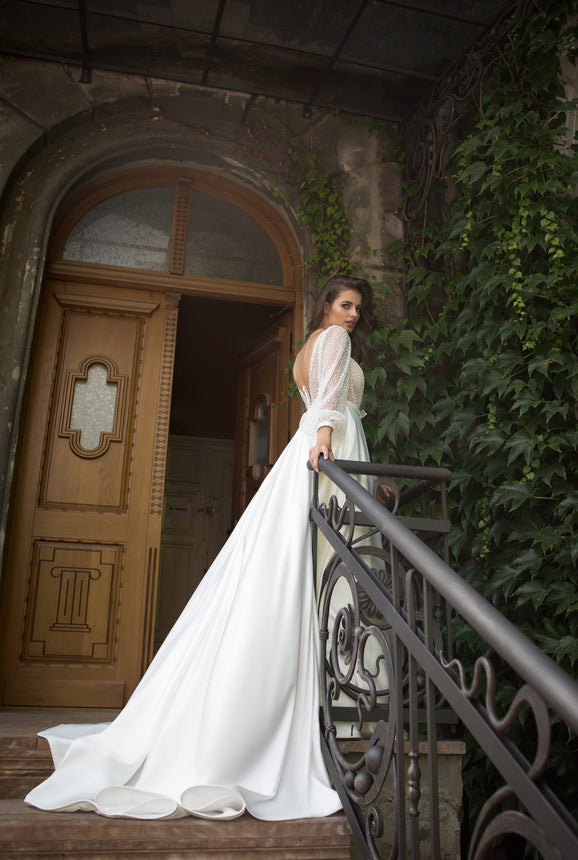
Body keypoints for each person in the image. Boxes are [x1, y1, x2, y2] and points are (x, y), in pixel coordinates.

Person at [24, 274, 378, 822]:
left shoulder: (303, 351)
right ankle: (343, 699)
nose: (353, 314)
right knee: (330, 562)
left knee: (304, 567)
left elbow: (316, 395)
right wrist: (328, 442)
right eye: (345, 304)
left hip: (310, 446)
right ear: (326, 307)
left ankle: (333, 689)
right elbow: (329, 400)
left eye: (358, 308)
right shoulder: (333, 341)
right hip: (326, 449)